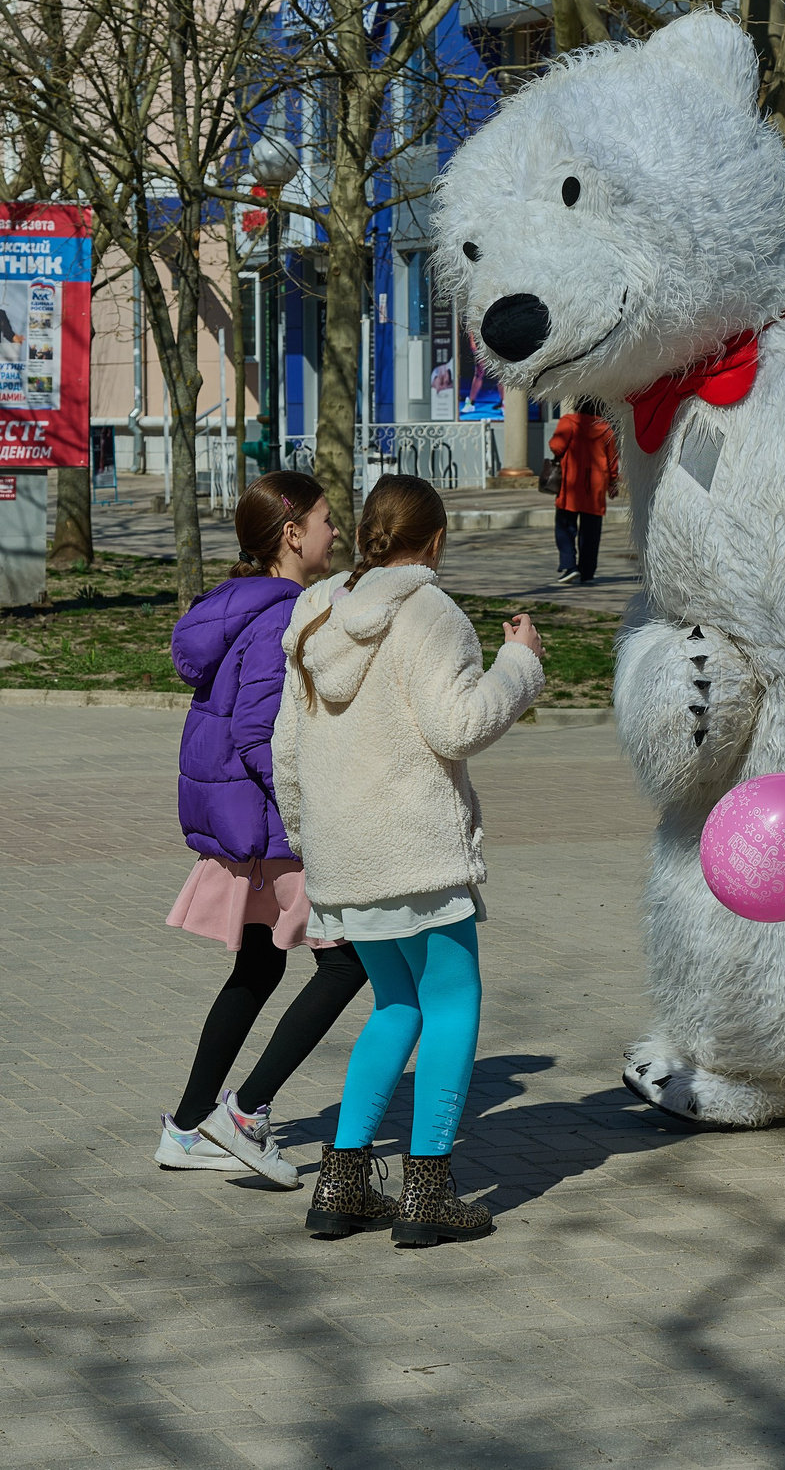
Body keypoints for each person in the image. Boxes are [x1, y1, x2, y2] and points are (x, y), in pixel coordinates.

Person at [275, 474, 545, 1247]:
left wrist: (312, 840)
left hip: (345, 856)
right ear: (433, 543)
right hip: (416, 855)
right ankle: (428, 1190)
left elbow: (284, 749)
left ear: (366, 534)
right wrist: (518, 662)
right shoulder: (430, 611)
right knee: (453, 1000)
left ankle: (342, 1181)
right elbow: (459, 723)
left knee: (396, 1005)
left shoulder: (315, 610)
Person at [157, 471, 370, 1187]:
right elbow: (256, 733)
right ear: (291, 535)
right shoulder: (281, 613)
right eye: (325, 520)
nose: (334, 532)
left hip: (249, 824)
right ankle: (244, 1114)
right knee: (350, 962)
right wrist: (314, 809)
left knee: (259, 964)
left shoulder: (235, 605)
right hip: (279, 826)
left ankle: (186, 1128)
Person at [546, 397, 619, 586]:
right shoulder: (606, 429)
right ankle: (587, 573)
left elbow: (556, 446)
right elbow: (613, 460)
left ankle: (570, 567)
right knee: (591, 532)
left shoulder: (569, 422)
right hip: (595, 487)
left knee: (565, 527)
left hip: (571, 484)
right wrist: (613, 483)